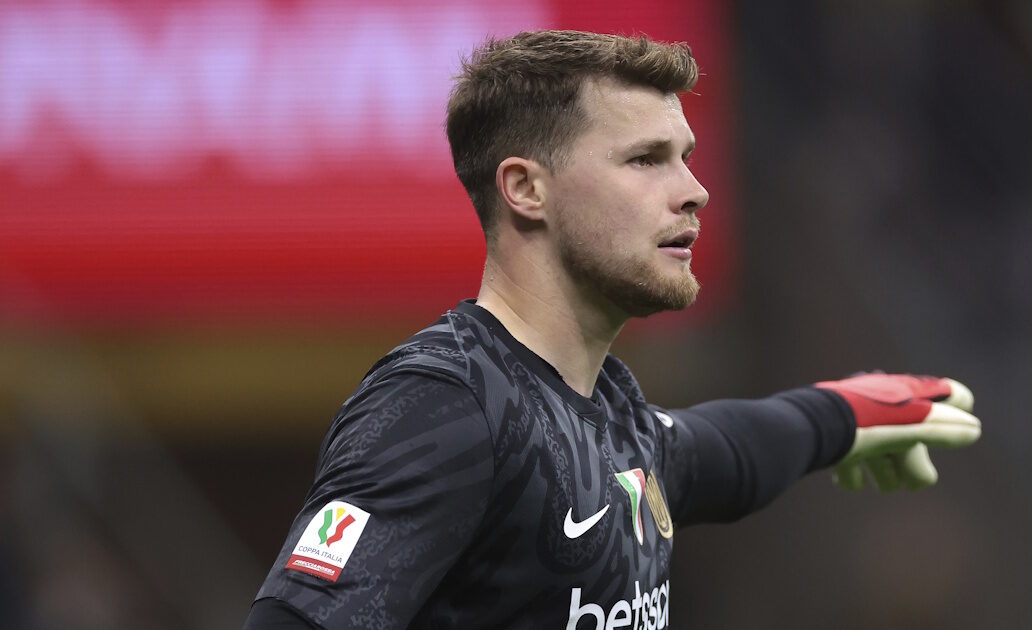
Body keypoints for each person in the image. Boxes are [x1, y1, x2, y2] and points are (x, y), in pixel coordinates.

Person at [243, 30, 980, 629]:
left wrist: (844, 414)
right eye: (646, 160)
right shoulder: (448, 403)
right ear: (525, 189)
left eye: (685, 158)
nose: (694, 191)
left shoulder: (613, 419)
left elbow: (727, 454)